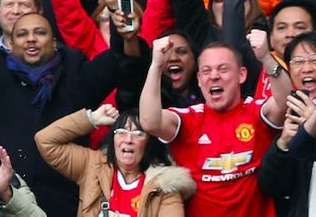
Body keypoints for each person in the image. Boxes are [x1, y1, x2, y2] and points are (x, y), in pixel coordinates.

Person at [0, 6, 147, 216]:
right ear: (10, 44)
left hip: (65, 205)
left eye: (40, 32)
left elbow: (121, 65)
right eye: (22, 34)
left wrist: (126, 35)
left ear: (54, 42)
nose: (31, 39)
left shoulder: (75, 73)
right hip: (2, 201)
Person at [139, 38, 291, 216]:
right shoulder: (189, 119)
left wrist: (265, 57)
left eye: (223, 69)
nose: (214, 76)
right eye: (206, 71)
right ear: (199, 80)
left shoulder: (255, 112)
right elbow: (150, 122)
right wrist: (156, 65)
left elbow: (284, 103)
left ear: (241, 75)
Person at [35, 104, 196, 217]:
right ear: (113, 140)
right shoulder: (93, 165)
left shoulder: (165, 186)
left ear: (149, 144)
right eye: (121, 132)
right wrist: (91, 119)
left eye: (138, 134)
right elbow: (45, 141)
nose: (128, 139)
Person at [258, 32, 316, 217]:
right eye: (298, 61)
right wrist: (282, 145)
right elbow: (273, 186)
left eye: (314, 59)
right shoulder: (289, 116)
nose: (307, 68)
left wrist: (311, 131)